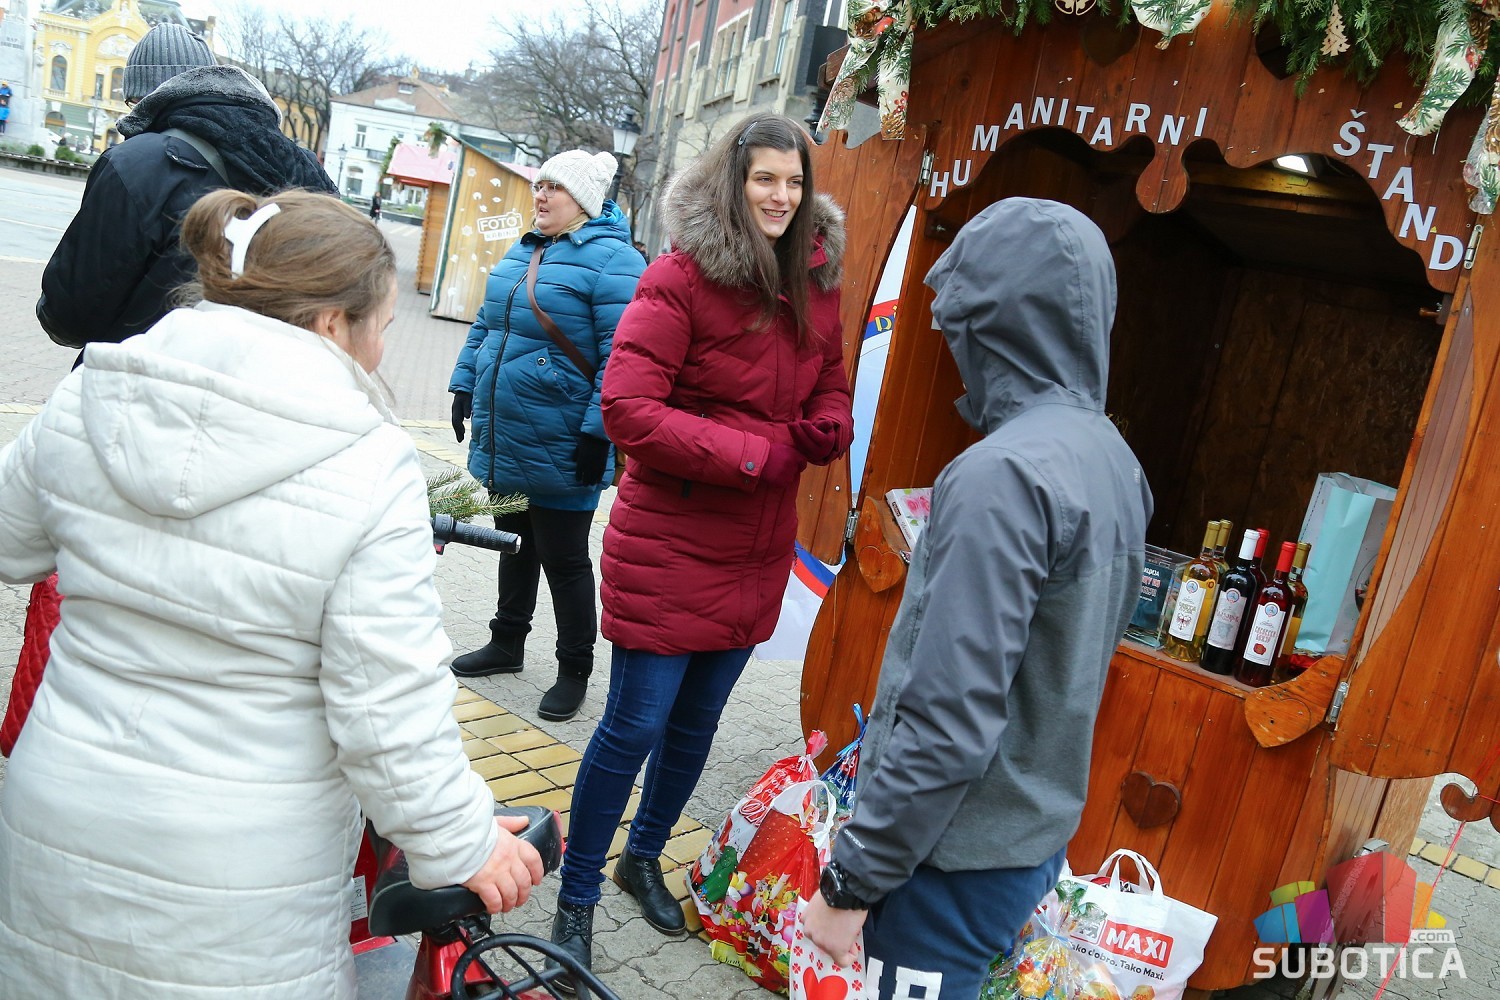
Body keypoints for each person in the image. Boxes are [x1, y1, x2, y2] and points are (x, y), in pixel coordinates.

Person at [0, 189, 544, 998]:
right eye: (382, 326)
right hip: (238, 875)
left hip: (60, 816)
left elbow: (12, 542)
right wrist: (464, 843)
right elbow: (388, 712)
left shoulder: (93, 395)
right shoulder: (368, 462)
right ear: (330, 323)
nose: (381, 350)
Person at [801, 198, 1154, 998]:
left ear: (992, 323)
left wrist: (852, 880)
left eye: (960, 324)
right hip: (1024, 839)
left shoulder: (1001, 474)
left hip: (948, 855)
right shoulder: (1112, 458)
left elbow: (950, 715)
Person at [549, 111, 853, 985]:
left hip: (755, 549)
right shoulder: (679, 278)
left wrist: (829, 423)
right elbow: (628, 410)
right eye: (765, 179)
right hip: (671, 542)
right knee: (634, 725)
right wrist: (757, 453)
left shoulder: (816, 280)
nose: (781, 197)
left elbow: (830, 380)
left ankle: (642, 858)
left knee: (696, 726)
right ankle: (576, 899)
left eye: (793, 182)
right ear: (734, 181)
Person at [448, 149, 644, 722]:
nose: (541, 195)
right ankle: (507, 641)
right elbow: (487, 324)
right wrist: (464, 384)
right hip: (509, 430)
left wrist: (598, 432)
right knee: (513, 539)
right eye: (540, 185)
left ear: (583, 199)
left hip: (565, 436)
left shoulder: (616, 261)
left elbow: (623, 356)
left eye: (555, 187)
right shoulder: (524, 249)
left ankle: (574, 669)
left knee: (563, 557)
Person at [35, 23, 336, 352]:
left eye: (133, 103)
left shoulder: (134, 164)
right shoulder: (298, 167)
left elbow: (71, 314)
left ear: (147, 99)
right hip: (254, 373)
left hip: (143, 373)